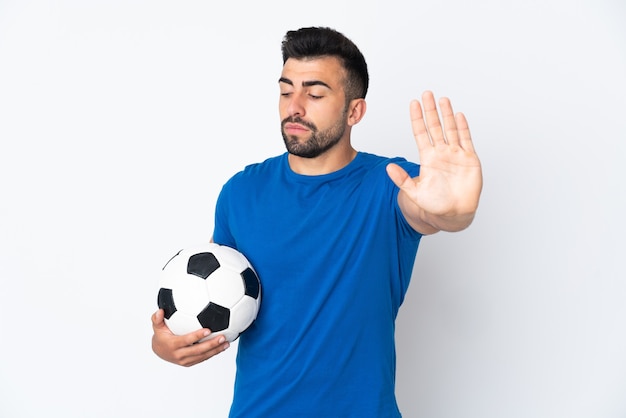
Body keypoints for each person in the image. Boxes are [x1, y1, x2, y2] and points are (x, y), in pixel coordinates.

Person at [151, 26, 482, 417]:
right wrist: (166, 343)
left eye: (315, 93)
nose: (295, 106)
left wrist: (454, 212)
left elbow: (433, 212)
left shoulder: (394, 184)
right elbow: (213, 293)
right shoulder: (241, 192)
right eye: (286, 90)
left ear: (354, 110)